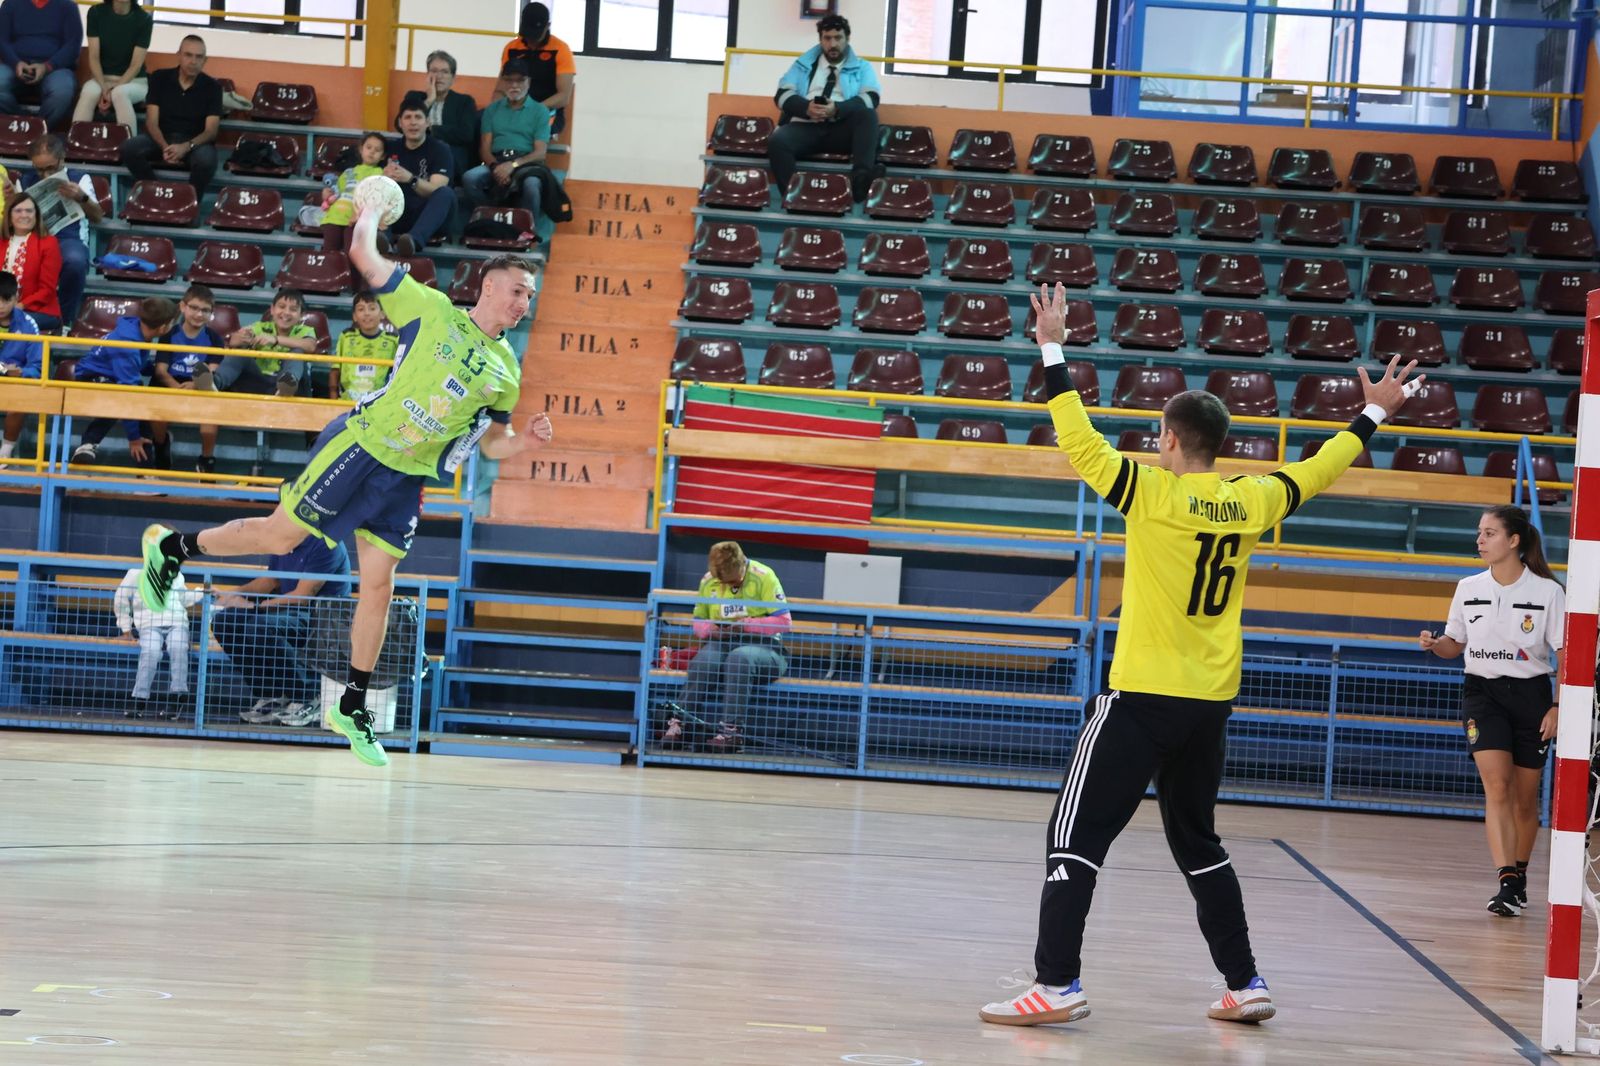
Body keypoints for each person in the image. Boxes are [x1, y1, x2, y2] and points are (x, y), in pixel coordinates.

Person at [978, 283, 1422, 1029]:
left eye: (1159, 433)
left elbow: (1077, 438)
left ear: (1171, 439)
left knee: (1073, 834)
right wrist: (1375, 409)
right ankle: (1245, 982)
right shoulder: (1252, 498)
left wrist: (1051, 344)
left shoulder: (1150, 494)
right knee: (1198, 840)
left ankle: (1056, 984)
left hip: (1143, 697)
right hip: (1209, 703)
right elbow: (1320, 468)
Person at [139, 200, 551, 768]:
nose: (525, 303)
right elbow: (362, 253)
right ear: (488, 287)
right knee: (281, 537)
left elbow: (491, 441)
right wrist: (371, 211)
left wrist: (525, 443)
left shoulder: (507, 371)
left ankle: (352, 704)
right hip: (361, 446)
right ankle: (173, 549)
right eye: (519, 291)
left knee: (378, 586)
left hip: (408, 478)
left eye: (530, 296)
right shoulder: (430, 309)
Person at [1420, 506, 1565, 918]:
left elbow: (1566, 651)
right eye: (1479, 533)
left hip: (1532, 696)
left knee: (1524, 800)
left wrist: (1557, 705)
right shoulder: (1468, 587)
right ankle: (1506, 880)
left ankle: (1518, 877)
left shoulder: (1548, 593)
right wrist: (1436, 644)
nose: (1479, 540)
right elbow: (1455, 644)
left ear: (1514, 540)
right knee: (1496, 786)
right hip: (1482, 695)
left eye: (1489, 533)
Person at [667, 540, 791, 753]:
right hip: (721, 641)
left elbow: (784, 622)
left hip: (765, 647)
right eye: (721, 582)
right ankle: (681, 723)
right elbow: (698, 623)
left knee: (739, 659)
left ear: (741, 566)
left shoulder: (764, 576)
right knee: (704, 661)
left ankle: (731, 733)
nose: (726, 586)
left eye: (731, 581)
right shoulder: (708, 581)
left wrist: (746, 625)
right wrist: (710, 630)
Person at [219, 533, 351, 728]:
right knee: (225, 620)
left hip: (323, 619)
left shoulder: (328, 544)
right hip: (289, 614)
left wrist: (255, 607)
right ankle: (271, 694)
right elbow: (271, 581)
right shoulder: (284, 539)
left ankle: (308, 696)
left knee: (261, 627)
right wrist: (234, 594)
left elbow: (303, 596)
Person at [770, 15, 882, 203]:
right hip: (806, 126)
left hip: (841, 128)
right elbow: (781, 95)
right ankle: (792, 197)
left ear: (847, 39)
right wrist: (806, 108)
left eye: (838, 38)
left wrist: (837, 109)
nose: (833, 44)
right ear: (820, 39)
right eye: (827, 38)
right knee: (778, 141)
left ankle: (861, 180)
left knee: (868, 115)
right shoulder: (803, 65)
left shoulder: (863, 67)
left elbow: (871, 98)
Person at [68, 294, 176, 466]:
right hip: (90, 378)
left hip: (113, 376)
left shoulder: (136, 329)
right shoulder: (127, 346)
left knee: (143, 409)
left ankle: (146, 476)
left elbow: (136, 365)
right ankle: (88, 444)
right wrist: (133, 438)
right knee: (117, 399)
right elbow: (126, 394)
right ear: (163, 327)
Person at [18, 133, 104, 331]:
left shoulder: (79, 178)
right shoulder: (25, 181)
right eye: (40, 170)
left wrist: (81, 198)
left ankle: (63, 321)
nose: (46, 175)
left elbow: (98, 216)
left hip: (69, 238)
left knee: (74, 261)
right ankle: (18, 320)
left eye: (51, 168)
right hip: (35, 237)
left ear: (62, 158)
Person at [118, 35, 222, 196]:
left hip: (195, 143)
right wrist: (166, 148)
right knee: (129, 148)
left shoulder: (213, 87)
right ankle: (153, 192)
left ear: (205, 60)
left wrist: (185, 147)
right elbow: (151, 122)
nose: (193, 61)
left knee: (206, 161)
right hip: (161, 138)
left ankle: (189, 203)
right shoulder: (159, 78)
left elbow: (211, 131)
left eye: (199, 57)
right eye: (188, 55)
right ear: (178, 55)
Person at [462, 59, 550, 224]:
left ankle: (529, 231)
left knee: (532, 186)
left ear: (528, 82)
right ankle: (491, 219)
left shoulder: (540, 111)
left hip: (526, 164)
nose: (514, 85)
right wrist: (496, 168)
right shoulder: (492, 110)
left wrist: (512, 165)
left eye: (520, 80)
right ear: (502, 83)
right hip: (497, 161)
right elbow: (485, 149)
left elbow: (540, 153)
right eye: (509, 80)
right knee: (469, 178)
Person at [151, 283, 227, 473]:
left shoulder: (215, 339)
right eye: (194, 308)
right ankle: (161, 447)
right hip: (172, 384)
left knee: (210, 418)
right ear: (183, 306)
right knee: (157, 412)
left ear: (211, 313)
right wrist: (177, 389)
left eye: (205, 310)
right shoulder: (169, 334)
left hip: (200, 387)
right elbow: (161, 371)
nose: (199, 314)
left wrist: (194, 386)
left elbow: (211, 373)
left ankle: (206, 460)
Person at [114, 564, 199, 720]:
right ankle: (139, 698)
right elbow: (120, 599)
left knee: (178, 648)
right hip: (149, 624)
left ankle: (178, 696)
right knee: (150, 652)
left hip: (177, 622)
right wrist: (126, 629)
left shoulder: (175, 573)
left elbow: (184, 598)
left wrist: (201, 592)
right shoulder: (136, 574)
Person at [384, 99, 456, 257]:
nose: (413, 123)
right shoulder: (391, 148)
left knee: (446, 193)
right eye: (408, 117)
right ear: (400, 123)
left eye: (418, 117)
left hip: (428, 216)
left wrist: (410, 178)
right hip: (398, 212)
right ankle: (382, 239)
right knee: (378, 187)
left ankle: (412, 242)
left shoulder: (440, 149)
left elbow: (436, 190)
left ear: (427, 123)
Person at [218, 287, 316, 398]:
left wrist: (275, 339)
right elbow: (233, 341)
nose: (286, 312)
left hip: (291, 389)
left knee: (297, 351)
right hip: (258, 383)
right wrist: (242, 338)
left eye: (293, 309)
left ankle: (286, 387)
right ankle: (215, 383)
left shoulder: (306, 330)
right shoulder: (260, 327)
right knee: (240, 353)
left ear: (301, 315)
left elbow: (310, 346)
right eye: (282, 307)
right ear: (272, 309)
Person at [0, 0, 80, 130]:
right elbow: (2, 41)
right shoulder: (10, 4)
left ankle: (38, 130)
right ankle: (21, 124)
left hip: (54, 69)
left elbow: (73, 46)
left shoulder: (68, 6)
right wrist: (16, 63)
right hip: (15, 66)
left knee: (62, 93)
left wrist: (47, 66)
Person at [401, 50, 478, 184]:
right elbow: (400, 124)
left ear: (453, 78)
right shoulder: (414, 98)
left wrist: (431, 129)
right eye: (434, 71)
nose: (439, 76)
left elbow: (466, 134)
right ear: (428, 75)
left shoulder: (464, 102)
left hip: (449, 158)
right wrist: (429, 101)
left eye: (444, 72)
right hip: (415, 155)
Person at [74, 0, 152, 130]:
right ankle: (76, 144)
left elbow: (136, 65)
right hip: (101, 79)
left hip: (134, 81)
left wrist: (112, 91)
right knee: (89, 92)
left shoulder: (144, 19)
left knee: (120, 94)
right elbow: (93, 57)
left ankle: (130, 147)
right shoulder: (96, 12)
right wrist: (105, 88)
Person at [501, 2, 574, 137]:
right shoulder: (511, 48)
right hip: (513, 108)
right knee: (482, 124)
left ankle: (528, 158)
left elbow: (563, 97)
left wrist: (532, 110)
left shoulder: (561, 49)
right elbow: (500, 87)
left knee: (525, 131)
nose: (531, 41)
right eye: (528, 35)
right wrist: (495, 111)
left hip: (546, 110)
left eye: (535, 35)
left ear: (547, 26)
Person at [0, 270, 44, 460]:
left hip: (13, 383)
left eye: (6, 300)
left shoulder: (29, 325)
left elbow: (37, 367)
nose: (0, 306)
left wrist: (21, 372)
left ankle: (5, 452)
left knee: (21, 398)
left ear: (17, 297)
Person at [0, 192, 60, 332]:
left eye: (29, 211)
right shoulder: (1, 242)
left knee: (13, 321)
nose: (24, 215)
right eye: (18, 211)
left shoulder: (49, 243)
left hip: (38, 310)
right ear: (9, 216)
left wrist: (19, 306)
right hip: (3, 307)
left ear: (36, 216)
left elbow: (47, 290)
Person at [319, 130, 386, 254]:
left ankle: (349, 274)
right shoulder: (348, 172)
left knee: (351, 254)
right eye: (369, 147)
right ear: (361, 149)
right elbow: (336, 192)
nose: (372, 151)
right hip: (335, 217)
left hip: (357, 220)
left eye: (377, 150)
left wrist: (360, 215)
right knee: (329, 254)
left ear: (382, 156)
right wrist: (326, 195)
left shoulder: (380, 173)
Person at [328, 290, 395, 403]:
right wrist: (333, 401)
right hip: (346, 403)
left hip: (379, 404)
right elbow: (335, 370)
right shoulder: (346, 337)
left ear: (382, 314)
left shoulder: (392, 341)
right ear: (354, 316)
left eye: (372, 308)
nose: (367, 313)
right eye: (361, 309)